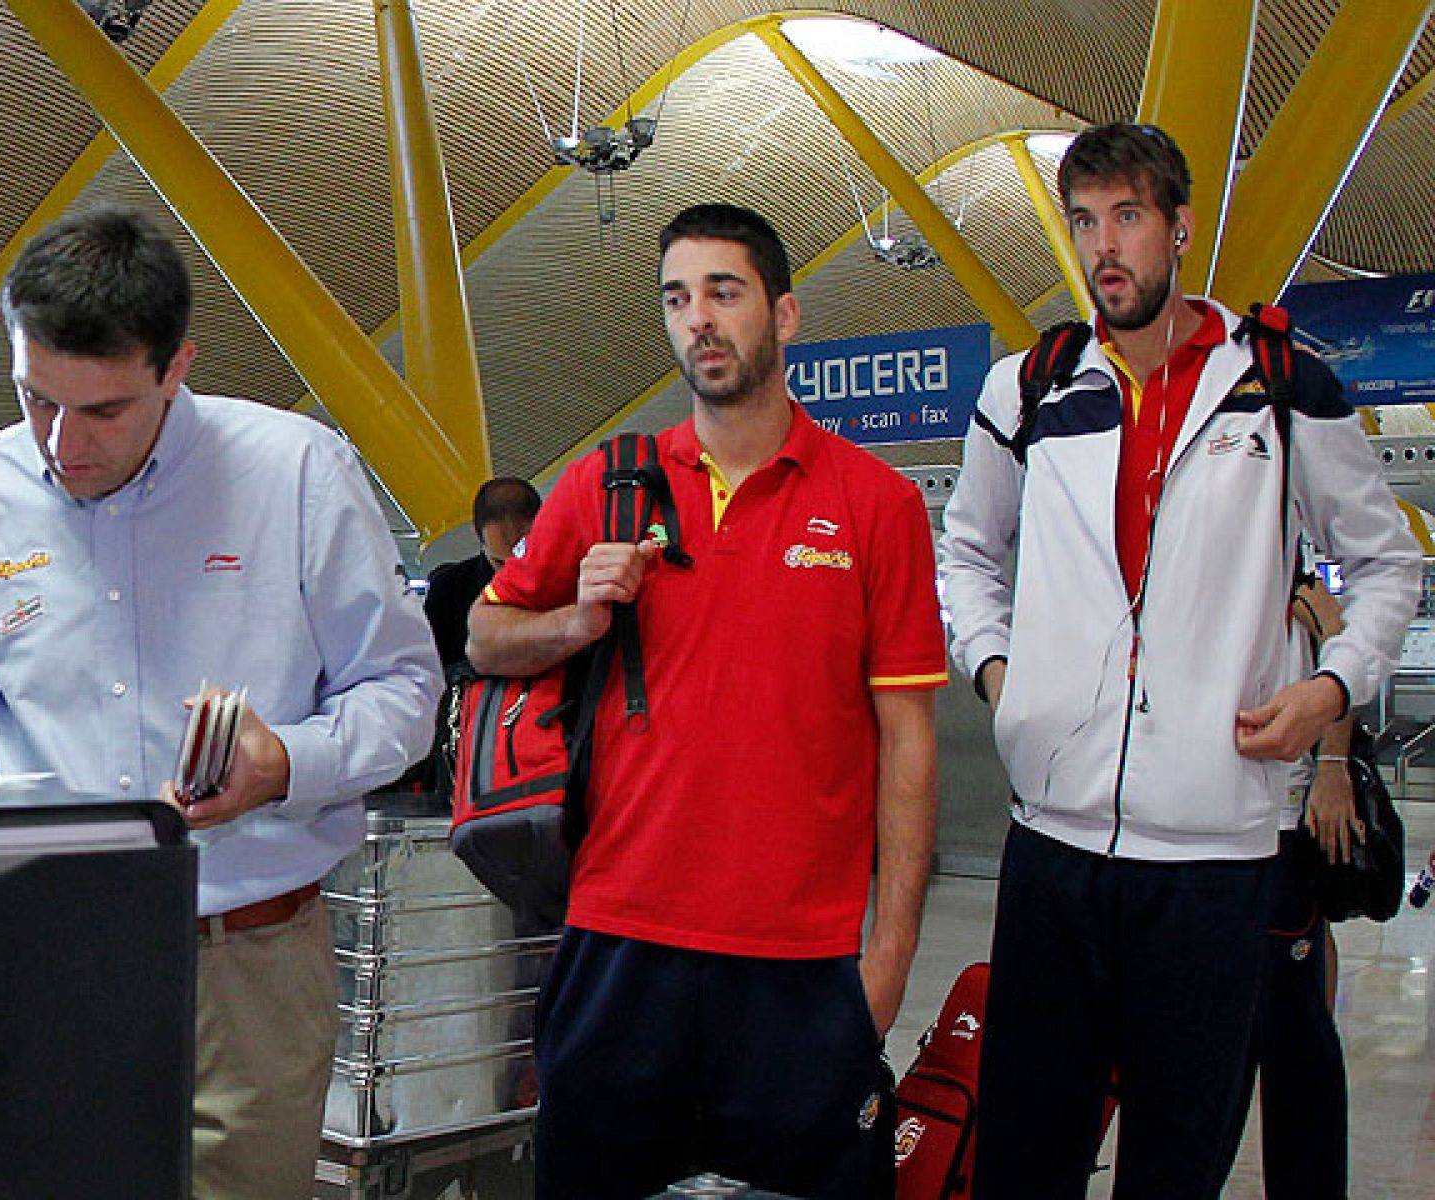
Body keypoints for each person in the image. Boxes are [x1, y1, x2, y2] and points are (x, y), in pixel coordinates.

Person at [0, 207, 442, 1199]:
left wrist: (286, 765)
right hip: (44, 950)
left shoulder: (296, 476)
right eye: (35, 399)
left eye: (103, 412)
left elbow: (404, 690)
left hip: (249, 957)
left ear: (176, 367)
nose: (61, 443)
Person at [937, 122, 1420, 1199]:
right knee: (1024, 1156)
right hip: (1052, 850)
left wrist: (1332, 688)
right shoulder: (1029, 389)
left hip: (1213, 863)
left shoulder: (1282, 388)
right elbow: (965, 549)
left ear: (1177, 227)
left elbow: (1386, 568)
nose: (1103, 247)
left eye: (1126, 218)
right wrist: (998, 676)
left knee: (1176, 1159)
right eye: (1082, 222)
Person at [468, 202, 947, 1199]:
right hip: (620, 940)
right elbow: (483, 636)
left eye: (723, 293)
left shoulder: (874, 504)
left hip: (799, 959)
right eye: (678, 298)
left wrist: (888, 951)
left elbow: (907, 742)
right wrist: (574, 621)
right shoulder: (606, 484)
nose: (699, 321)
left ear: (785, 314)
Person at [1225, 565, 1355, 1198]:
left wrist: (1332, 768)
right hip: (1202, 835)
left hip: (1278, 828)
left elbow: (1341, 653)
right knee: (1210, 1046)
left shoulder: (1296, 585)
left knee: (1295, 1038)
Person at [422, 477, 541, 669]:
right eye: (500, 562)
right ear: (477, 535)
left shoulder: (570, 581)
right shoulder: (447, 591)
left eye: (522, 559)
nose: (510, 574)